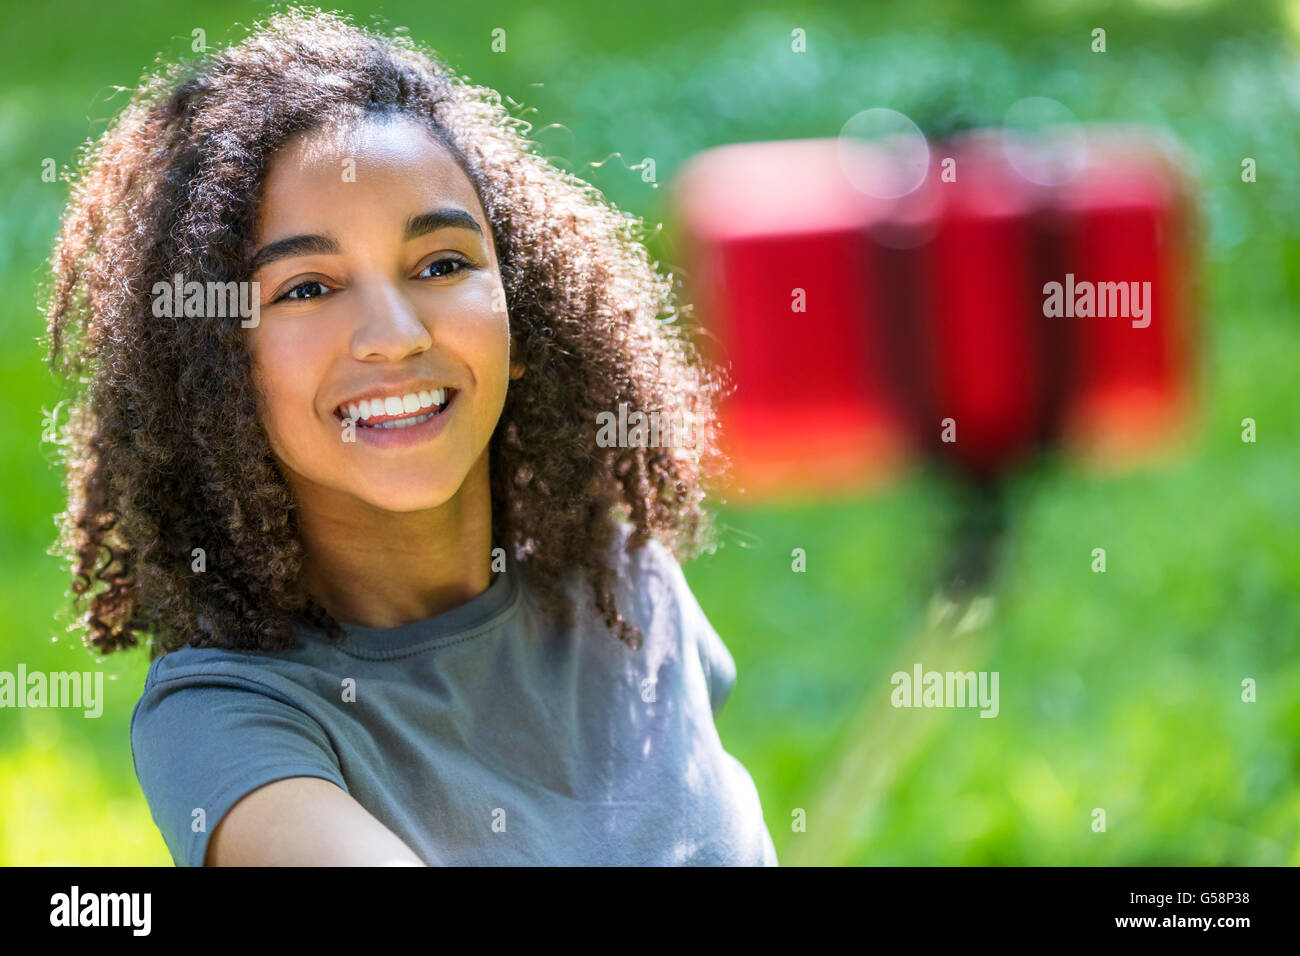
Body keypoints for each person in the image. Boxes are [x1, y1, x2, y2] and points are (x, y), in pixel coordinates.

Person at [45, 7, 777, 867]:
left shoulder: (620, 574)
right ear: (214, 369)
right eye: (307, 288)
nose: (394, 334)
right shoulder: (226, 723)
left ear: (523, 305)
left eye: (440, 266)